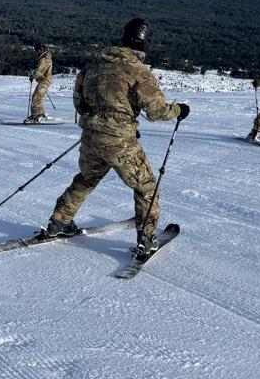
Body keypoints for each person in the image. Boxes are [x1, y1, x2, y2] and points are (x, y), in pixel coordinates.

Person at [42, 18, 189, 259]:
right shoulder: (139, 71)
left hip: (90, 137)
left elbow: (80, 104)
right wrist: (179, 110)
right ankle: (146, 239)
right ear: (144, 44)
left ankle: (58, 222)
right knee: (146, 188)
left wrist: (103, 120)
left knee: (85, 180)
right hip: (121, 142)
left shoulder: (93, 66)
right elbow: (156, 111)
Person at [25, 43, 53, 124]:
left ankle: (37, 115)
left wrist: (33, 76)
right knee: (38, 97)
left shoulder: (44, 59)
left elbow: (39, 71)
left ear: (40, 50)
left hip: (45, 81)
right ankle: (40, 114)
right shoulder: (44, 58)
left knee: (36, 97)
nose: (35, 52)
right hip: (44, 80)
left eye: (36, 51)